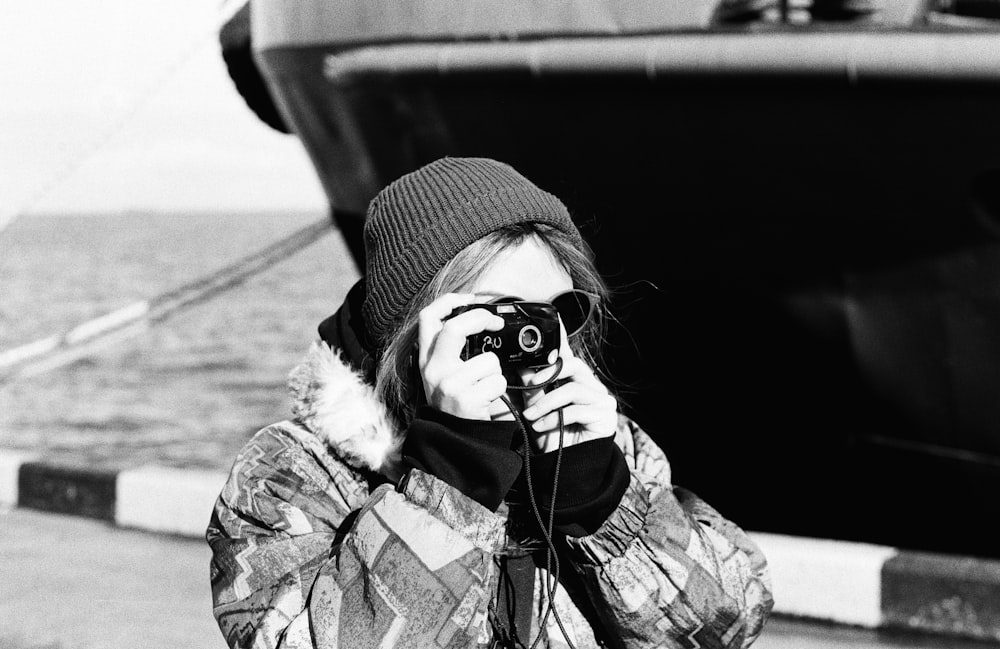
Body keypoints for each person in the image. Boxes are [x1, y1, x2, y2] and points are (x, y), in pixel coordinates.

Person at [207, 157, 773, 648]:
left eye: (555, 314)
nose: (533, 344)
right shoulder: (288, 474)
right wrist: (451, 480)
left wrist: (601, 500)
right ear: (412, 331)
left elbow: (730, 622)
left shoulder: (608, 443)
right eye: (499, 319)